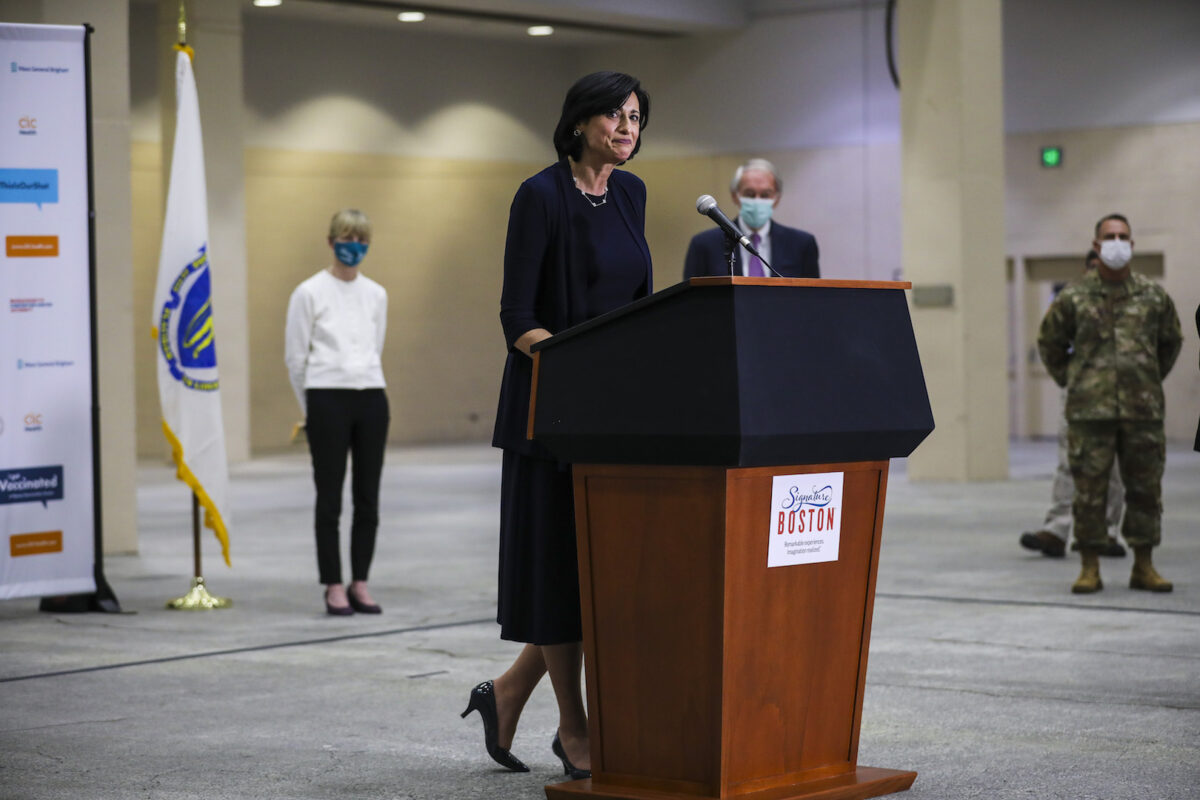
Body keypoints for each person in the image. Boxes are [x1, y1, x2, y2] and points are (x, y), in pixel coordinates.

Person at [461, 71, 652, 780]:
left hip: (615, 416)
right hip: (550, 413)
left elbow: (639, 302)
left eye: (636, 117)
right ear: (579, 123)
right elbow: (517, 316)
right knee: (559, 579)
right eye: (615, 115)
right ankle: (575, 730)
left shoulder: (631, 193)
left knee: (590, 576)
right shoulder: (538, 196)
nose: (627, 127)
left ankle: (506, 694)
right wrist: (578, 365)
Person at [1037, 214, 1182, 594]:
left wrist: (1147, 380)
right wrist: (1075, 380)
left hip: (1142, 411)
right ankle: (1089, 567)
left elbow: (1171, 342)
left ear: (1132, 245)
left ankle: (1144, 566)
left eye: (1123, 236)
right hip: (1090, 413)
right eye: (1109, 236)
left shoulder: (1153, 296)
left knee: (1145, 490)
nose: (1116, 242)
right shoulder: (1074, 296)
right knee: (1089, 491)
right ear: (1097, 246)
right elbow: (1049, 343)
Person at [285, 209, 390, 616]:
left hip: (371, 397)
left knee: (368, 497)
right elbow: (296, 358)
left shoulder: (377, 294)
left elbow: (374, 346)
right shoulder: (308, 292)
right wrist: (311, 406)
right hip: (326, 396)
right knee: (329, 498)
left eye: (362, 240)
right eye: (347, 239)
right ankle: (332, 584)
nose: (355, 247)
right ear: (331, 242)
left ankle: (360, 581)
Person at [1020, 251, 1125, 559]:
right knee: (1068, 461)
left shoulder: (1134, 300)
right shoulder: (1070, 299)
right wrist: (1066, 376)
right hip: (1077, 390)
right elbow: (1048, 339)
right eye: (1092, 267)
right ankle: (1056, 530)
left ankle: (1106, 531)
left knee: (1114, 463)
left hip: (1118, 390)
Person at [682, 158, 819, 279]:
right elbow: (691, 302)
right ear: (735, 196)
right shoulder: (704, 244)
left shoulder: (801, 244)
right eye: (750, 194)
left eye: (765, 194)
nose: (757, 200)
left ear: (776, 198)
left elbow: (812, 299)